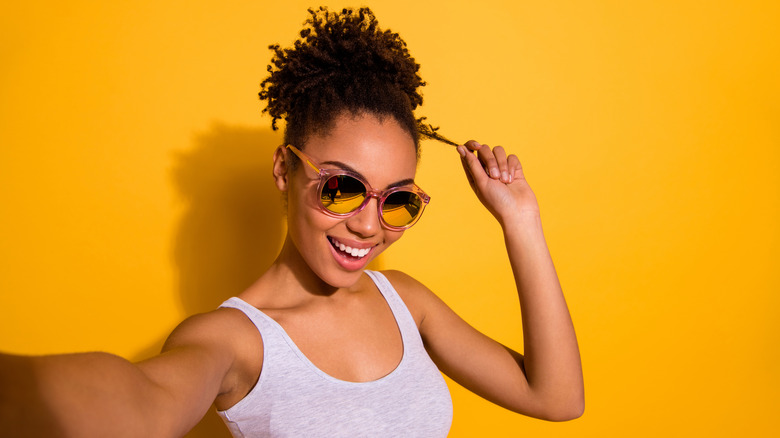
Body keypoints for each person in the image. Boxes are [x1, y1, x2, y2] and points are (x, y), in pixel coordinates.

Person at [0, 7, 583, 437]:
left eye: (397, 200)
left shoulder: (407, 302)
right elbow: (141, 398)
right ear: (285, 168)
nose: (368, 227)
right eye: (342, 188)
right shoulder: (235, 340)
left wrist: (520, 220)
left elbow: (556, 398)